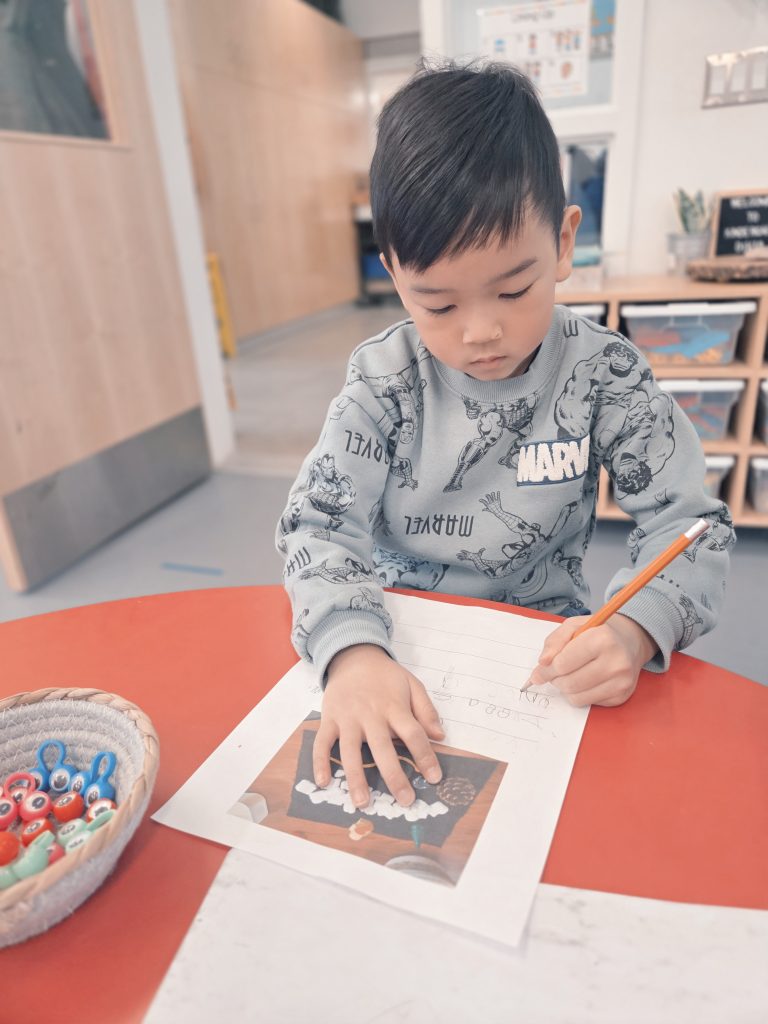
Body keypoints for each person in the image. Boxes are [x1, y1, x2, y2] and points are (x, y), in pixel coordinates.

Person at [276, 60, 735, 813]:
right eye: (438, 304)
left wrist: (633, 630)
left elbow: (691, 526)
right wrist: (352, 653)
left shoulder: (603, 374)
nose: (481, 331)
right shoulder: (383, 382)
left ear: (564, 241)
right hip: (393, 642)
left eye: (514, 289)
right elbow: (316, 527)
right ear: (394, 274)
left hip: (546, 658)